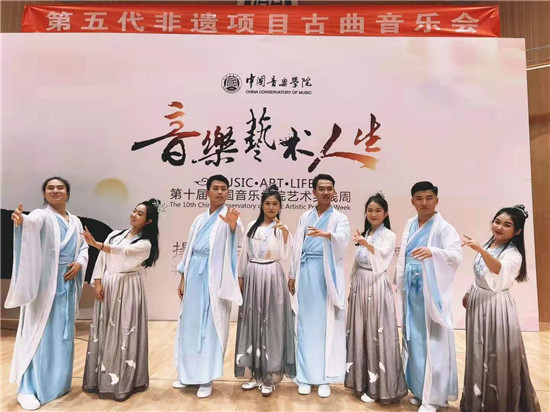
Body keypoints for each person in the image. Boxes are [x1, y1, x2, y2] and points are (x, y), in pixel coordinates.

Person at [6, 177, 89, 411]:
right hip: (45, 286)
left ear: (67, 193)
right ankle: (29, 387)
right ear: (44, 193)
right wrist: (21, 221)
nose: (55, 190)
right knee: (39, 333)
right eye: (50, 188)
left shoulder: (75, 221)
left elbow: (83, 247)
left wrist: (80, 263)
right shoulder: (41, 215)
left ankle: (57, 384)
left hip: (67, 285)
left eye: (60, 187)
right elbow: (30, 224)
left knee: (62, 334)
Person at [460, 205, 540, 412]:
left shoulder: (513, 254)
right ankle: (477, 401)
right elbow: (480, 273)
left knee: (496, 353)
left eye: (507, 225)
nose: (499, 227)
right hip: (478, 299)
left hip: (496, 306)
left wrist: (480, 250)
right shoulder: (490, 243)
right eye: (497, 222)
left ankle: (497, 404)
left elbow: (499, 270)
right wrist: (469, 291)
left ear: (517, 231)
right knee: (478, 350)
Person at [81, 199, 160, 401]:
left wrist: (97, 244)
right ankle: (98, 380)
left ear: (148, 221)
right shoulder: (115, 234)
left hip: (128, 286)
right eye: (134, 211)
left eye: (140, 214)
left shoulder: (145, 244)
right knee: (103, 330)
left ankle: (123, 382)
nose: (134, 215)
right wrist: (98, 282)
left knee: (124, 331)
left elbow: (122, 252)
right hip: (108, 284)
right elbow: (102, 259)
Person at [173, 175, 243, 398]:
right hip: (194, 273)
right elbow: (189, 249)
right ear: (208, 192)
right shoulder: (199, 219)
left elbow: (236, 236)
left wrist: (232, 225)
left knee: (211, 325)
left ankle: (206, 378)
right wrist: (183, 277)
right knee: (190, 324)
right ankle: (187, 374)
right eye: (216, 188)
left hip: (215, 278)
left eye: (224, 189)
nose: (220, 192)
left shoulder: (230, 216)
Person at [395, 181, 462, 411]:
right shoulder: (410, 224)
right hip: (412, 290)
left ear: (436, 200)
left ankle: (434, 397)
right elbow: (403, 257)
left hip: (431, 291)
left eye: (429, 198)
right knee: (414, 339)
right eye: (419, 198)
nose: (424, 203)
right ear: (412, 201)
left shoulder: (445, 228)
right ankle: (419, 388)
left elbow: (455, 256)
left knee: (434, 342)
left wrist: (433, 252)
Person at [290, 173, 350, 398]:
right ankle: (305, 376)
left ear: (334, 192)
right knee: (305, 325)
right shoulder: (305, 216)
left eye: (329, 188)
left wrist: (328, 235)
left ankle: (324, 379)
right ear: (314, 192)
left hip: (327, 276)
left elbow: (343, 240)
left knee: (326, 325)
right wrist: (292, 274)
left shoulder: (340, 218)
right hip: (306, 272)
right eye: (321, 188)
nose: (326, 192)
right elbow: (297, 247)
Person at [345, 193, 407, 404]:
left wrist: (366, 244)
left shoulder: (389, 235)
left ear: (386, 213)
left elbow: (383, 258)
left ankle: (378, 388)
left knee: (376, 333)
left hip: (376, 285)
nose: (373, 214)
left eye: (378, 210)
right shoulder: (366, 233)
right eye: (370, 210)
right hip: (360, 285)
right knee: (360, 332)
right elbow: (356, 264)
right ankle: (362, 382)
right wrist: (351, 286)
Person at [234, 185, 296, 396]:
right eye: (267, 203)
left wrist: (285, 233)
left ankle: (269, 375)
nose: (271, 207)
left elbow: (286, 254)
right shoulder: (252, 226)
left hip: (272, 276)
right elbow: (244, 253)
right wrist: (240, 276)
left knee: (272, 324)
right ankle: (255, 374)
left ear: (280, 206)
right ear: (261, 205)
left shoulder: (282, 228)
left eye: (275, 204)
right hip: (252, 274)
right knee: (252, 322)